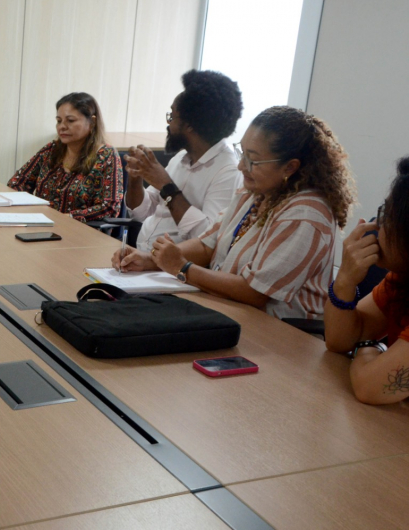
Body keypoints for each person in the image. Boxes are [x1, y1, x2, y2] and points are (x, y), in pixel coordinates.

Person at [114, 106, 356, 319]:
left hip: (281, 335)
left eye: (253, 161)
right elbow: (208, 245)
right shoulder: (255, 192)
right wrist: (150, 260)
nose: (241, 166)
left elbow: (255, 292)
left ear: (290, 167)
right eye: (243, 153)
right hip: (229, 309)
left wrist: (182, 267)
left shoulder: (306, 214)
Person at [123, 70, 243, 251]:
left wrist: (166, 185)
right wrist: (135, 178)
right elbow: (141, 212)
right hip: (141, 257)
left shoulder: (228, 171)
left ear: (189, 125)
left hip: (174, 272)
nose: (168, 124)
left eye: (172, 116)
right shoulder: (181, 158)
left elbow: (207, 239)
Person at [325, 157, 409, 404]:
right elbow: (340, 341)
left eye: (385, 217)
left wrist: (372, 348)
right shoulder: (400, 279)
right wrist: (345, 281)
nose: (375, 225)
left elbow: (370, 388)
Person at [6, 92, 123, 223]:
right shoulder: (52, 150)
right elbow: (16, 183)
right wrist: (30, 209)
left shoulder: (106, 156)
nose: (62, 126)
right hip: (43, 226)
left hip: (82, 234)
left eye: (70, 121)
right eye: (59, 121)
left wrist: (69, 217)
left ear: (93, 122)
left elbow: (110, 208)